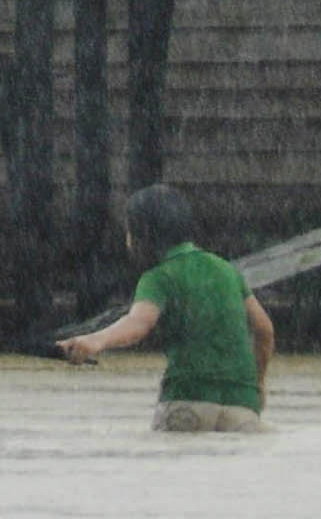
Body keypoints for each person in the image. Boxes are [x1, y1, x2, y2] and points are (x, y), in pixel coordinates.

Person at [56, 182, 274, 432]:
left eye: (128, 232)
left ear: (141, 236)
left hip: (187, 401)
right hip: (242, 408)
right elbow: (265, 330)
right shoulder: (227, 270)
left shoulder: (159, 277)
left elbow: (138, 323)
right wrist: (257, 385)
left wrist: (95, 341)